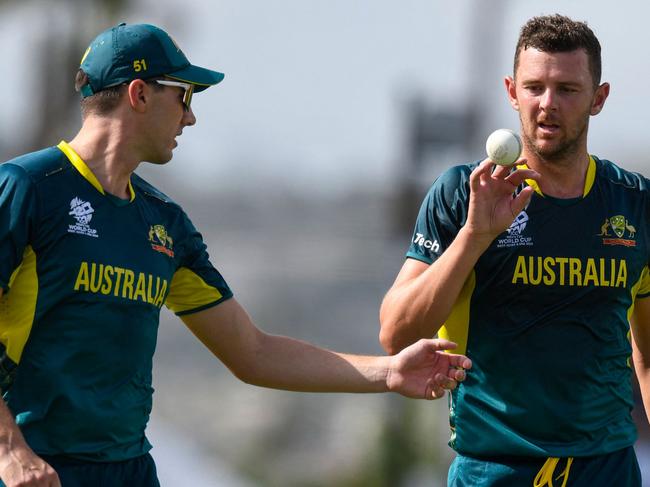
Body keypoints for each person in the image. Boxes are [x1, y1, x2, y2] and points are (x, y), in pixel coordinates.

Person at [0, 23, 472, 487]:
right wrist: (10, 450)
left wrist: (389, 371)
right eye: (184, 95)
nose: (190, 117)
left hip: (129, 470)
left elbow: (252, 352)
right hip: (35, 470)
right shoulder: (28, 189)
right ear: (139, 94)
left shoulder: (165, 223)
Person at [379, 14, 650, 486]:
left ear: (598, 98)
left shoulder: (636, 203)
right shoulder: (461, 195)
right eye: (534, 87)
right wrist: (474, 236)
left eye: (567, 89)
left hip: (607, 469)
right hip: (493, 469)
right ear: (511, 92)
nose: (548, 104)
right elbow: (396, 333)